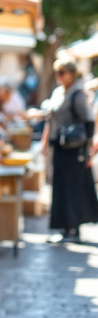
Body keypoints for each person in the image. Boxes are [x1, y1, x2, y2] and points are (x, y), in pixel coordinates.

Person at [45, 58, 98, 243]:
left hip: (74, 148)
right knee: (60, 187)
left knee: (73, 187)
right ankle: (64, 227)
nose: (59, 76)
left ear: (71, 74)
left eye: (62, 72)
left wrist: (89, 147)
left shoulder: (78, 94)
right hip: (60, 147)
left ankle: (73, 229)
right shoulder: (58, 92)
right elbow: (51, 119)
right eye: (57, 73)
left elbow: (89, 120)